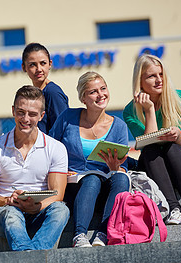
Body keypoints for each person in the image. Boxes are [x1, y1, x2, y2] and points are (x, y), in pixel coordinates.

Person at [0, 85, 70, 251]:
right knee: (12, 213)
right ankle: (32, 256)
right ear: (13, 111)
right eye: (21, 112)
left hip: (39, 212)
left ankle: (29, 254)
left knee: (61, 210)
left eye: (32, 114)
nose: (26, 119)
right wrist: (8, 201)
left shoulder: (56, 148)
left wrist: (38, 206)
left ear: (42, 116)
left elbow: (58, 194)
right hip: (5, 213)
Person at [50, 71, 130, 247]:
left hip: (103, 187)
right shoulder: (68, 118)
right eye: (93, 91)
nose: (100, 94)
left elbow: (118, 165)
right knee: (92, 179)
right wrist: (60, 169)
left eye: (103, 88)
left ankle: (103, 233)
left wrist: (114, 167)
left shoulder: (119, 126)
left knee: (121, 177)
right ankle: (79, 235)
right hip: (72, 185)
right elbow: (49, 147)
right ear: (83, 98)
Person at [123, 54, 181, 225]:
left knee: (170, 146)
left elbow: (178, 141)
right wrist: (149, 110)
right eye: (152, 76)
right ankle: (173, 208)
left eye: (161, 74)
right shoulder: (130, 111)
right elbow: (148, 142)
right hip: (156, 169)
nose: (159, 80)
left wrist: (179, 137)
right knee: (150, 149)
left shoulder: (180, 98)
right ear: (140, 81)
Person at [22, 42, 69, 134]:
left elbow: (63, 130)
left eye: (43, 63)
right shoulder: (34, 94)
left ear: (50, 64)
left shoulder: (52, 92)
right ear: (24, 67)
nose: (39, 69)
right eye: (32, 65)